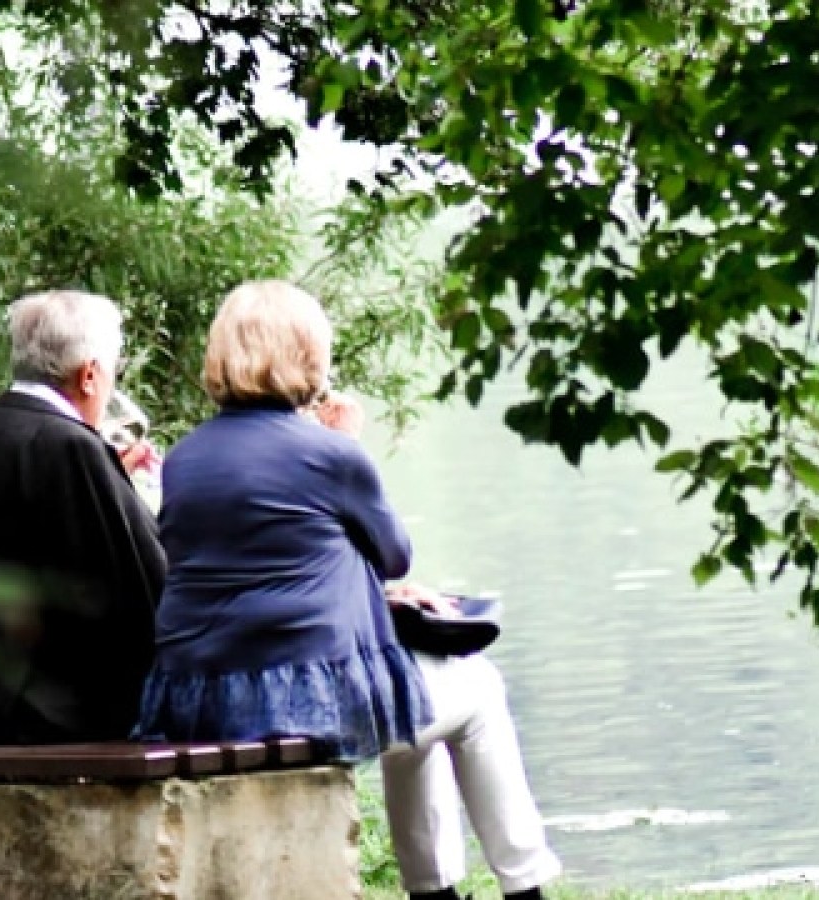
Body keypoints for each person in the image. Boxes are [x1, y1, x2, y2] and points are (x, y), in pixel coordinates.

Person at [131, 280, 560, 900]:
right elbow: (393, 556)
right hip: (302, 700)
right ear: (308, 354)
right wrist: (347, 445)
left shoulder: (185, 459)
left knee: (416, 704)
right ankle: (523, 887)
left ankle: (434, 891)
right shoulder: (330, 454)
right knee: (478, 690)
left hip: (200, 697)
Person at [0, 289, 165, 746]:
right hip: (60, 723)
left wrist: (112, 477)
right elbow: (143, 590)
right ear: (91, 376)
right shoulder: (72, 448)